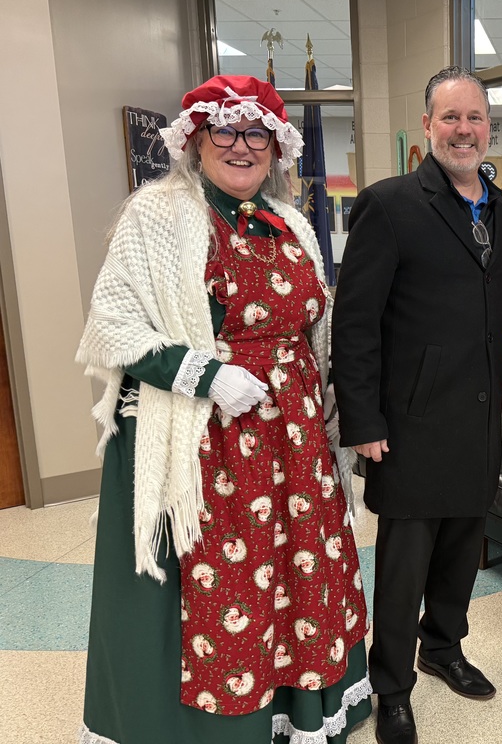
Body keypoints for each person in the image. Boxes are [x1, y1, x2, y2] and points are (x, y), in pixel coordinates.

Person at [76, 75, 371, 744]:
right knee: (225, 585)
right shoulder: (155, 214)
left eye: (257, 133)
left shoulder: (290, 219)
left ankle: (297, 715)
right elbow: (112, 323)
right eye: (226, 132)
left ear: (276, 146)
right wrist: (203, 373)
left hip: (292, 441)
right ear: (197, 141)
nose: (242, 146)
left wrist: (329, 415)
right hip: (203, 437)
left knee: (301, 576)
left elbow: (313, 325)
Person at [331, 66, 502, 744]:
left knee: (462, 553)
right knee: (404, 566)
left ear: (488, 126)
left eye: (474, 117)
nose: (464, 130)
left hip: (475, 418)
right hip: (407, 422)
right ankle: (392, 685)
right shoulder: (390, 204)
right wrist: (363, 422)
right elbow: (355, 324)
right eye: (450, 117)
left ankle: (442, 649)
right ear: (428, 125)